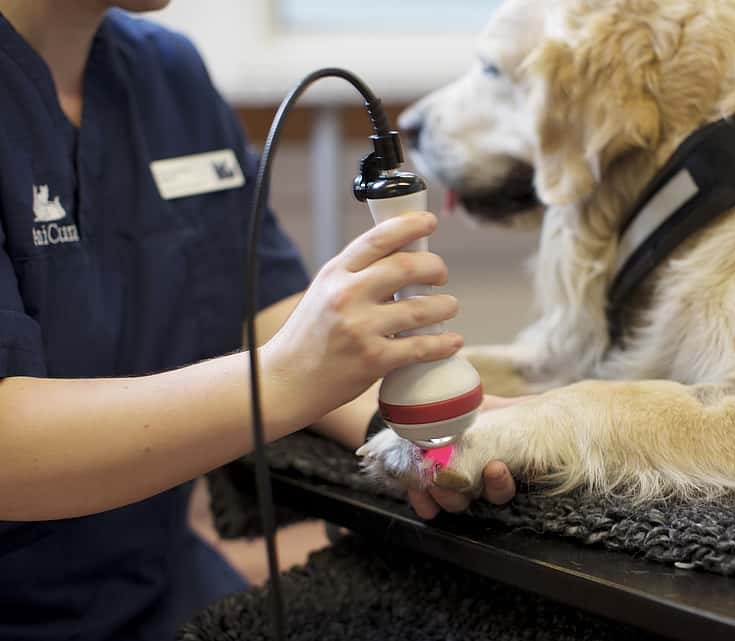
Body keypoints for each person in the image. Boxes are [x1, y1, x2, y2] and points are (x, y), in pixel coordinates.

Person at [0, 1, 517, 639]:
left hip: (160, 586)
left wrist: (411, 429)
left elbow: (255, 309)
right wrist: (279, 379)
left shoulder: (166, 74)